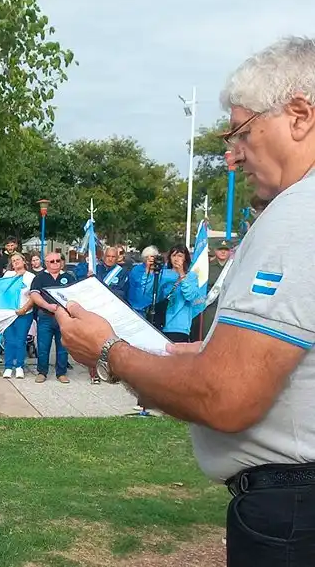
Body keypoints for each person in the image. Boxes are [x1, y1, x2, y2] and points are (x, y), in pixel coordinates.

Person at [55, 37, 315, 565]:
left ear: (299, 116)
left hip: (291, 508)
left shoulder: (297, 214)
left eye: (242, 132)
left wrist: (109, 352)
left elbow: (227, 397)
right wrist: (203, 357)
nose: (232, 155)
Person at [29, 252, 75, 384]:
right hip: (45, 316)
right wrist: (47, 306)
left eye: (58, 260)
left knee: (63, 347)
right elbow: (34, 295)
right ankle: (42, 372)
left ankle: (61, 373)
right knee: (43, 346)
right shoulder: (39, 277)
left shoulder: (69, 277)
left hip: (64, 318)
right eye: (52, 261)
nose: (55, 263)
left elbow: (75, 295)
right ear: (46, 263)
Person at [157, 245, 202, 343]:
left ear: (185, 258)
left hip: (179, 326)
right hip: (160, 323)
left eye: (180, 256)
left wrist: (182, 273)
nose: (176, 259)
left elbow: (190, 296)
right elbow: (154, 296)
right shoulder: (162, 274)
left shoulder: (191, 276)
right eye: (174, 255)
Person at [2, 253, 35, 379]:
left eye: (18, 259)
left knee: (21, 340)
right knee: (9, 340)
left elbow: (33, 296)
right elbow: (2, 291)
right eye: (13, 260)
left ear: (24, 261)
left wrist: (24, 309)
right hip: (9, 314)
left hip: (24, 313)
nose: (15, 262)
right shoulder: (8, 275)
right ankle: (8, 366)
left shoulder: (31, 277)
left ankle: (19, 366)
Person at [127, 246, 160, 314]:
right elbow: (135, 286)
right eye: (147, 257)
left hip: (154, 306)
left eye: (153, 256)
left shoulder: (160, 270)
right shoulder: (136, 270)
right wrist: (147, 269)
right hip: (136, 306)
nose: (150, 259)